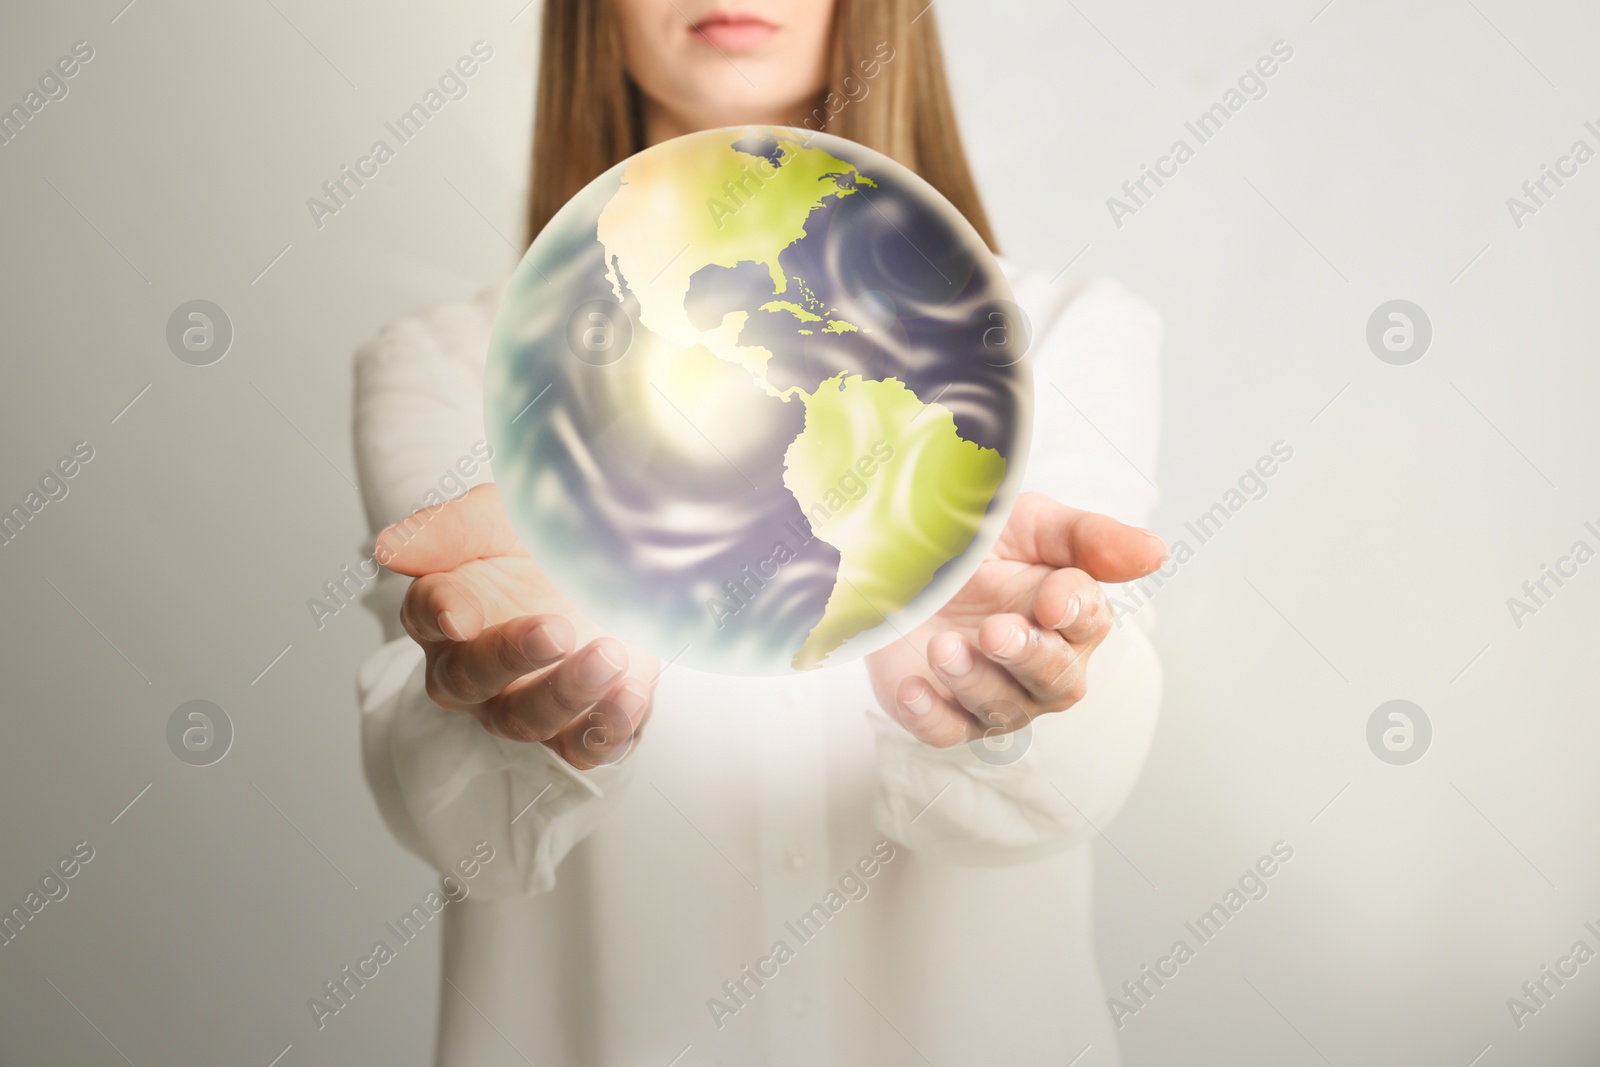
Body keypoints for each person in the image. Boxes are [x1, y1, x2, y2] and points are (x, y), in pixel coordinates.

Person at [353, 1, 1166, 1063]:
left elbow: (1070, 788)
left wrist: (995, 695)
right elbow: (465, 826)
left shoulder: (1059, 339)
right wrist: (520, 704)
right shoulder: (453, 365)